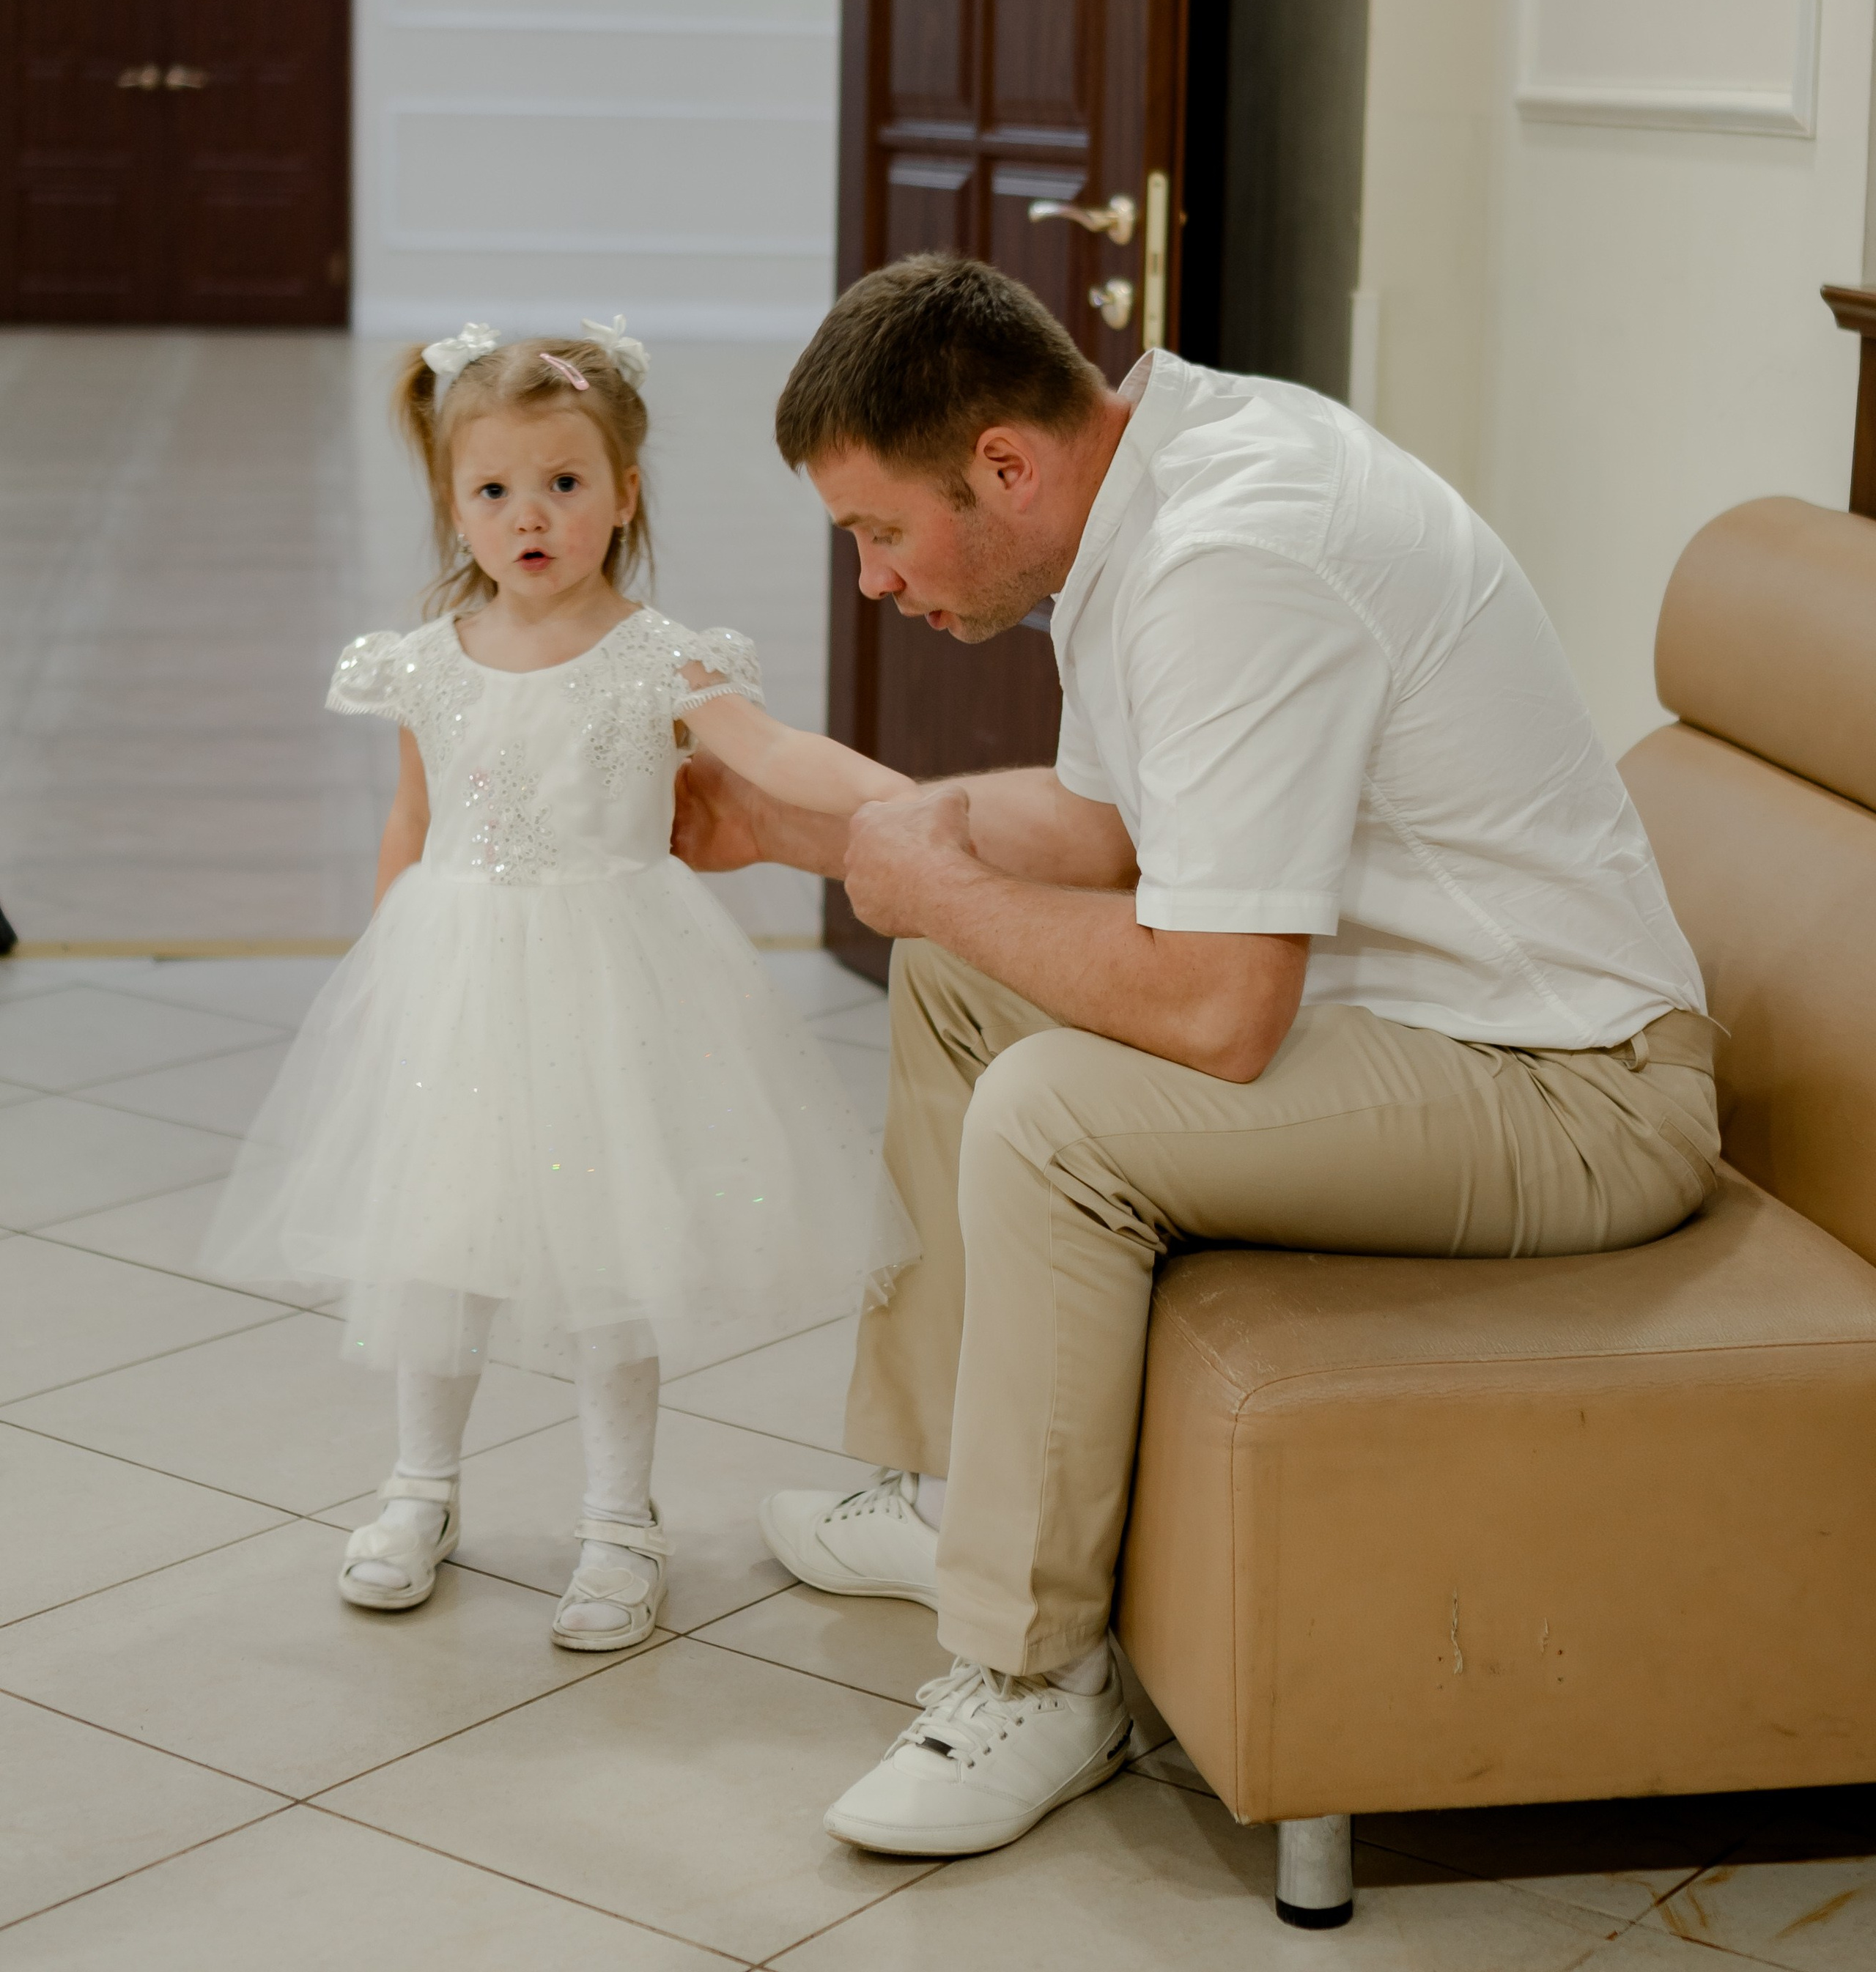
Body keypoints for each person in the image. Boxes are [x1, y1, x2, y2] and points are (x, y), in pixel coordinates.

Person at [671, 254, 1724, 1858]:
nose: (874, 582)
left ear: (1003, 467)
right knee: (958, 977)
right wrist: (801, 831)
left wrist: (937, 877)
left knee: (1050, 1115)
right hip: (1426, 1031)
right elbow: (1103, 834)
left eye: (880, 532)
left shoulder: (1229, 559)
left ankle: (1032, 1677)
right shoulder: (1153, 480)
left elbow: (1217, 1008)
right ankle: (949, 1484)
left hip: (1571, 1087)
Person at [204, 317, 910, 1648]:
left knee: (612, 1257)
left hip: (612, 988)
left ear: (624, 493)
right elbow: (410, 826)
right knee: (439, 1244)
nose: (531, 516)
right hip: (457, 981)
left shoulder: (659, 656)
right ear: (453, 504)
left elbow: (776, 755)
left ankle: (618, 1519)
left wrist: (905, 806)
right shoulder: (426, 662)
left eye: (566, 484)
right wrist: (386, 985)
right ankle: (421, 1486)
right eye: (494, 491)